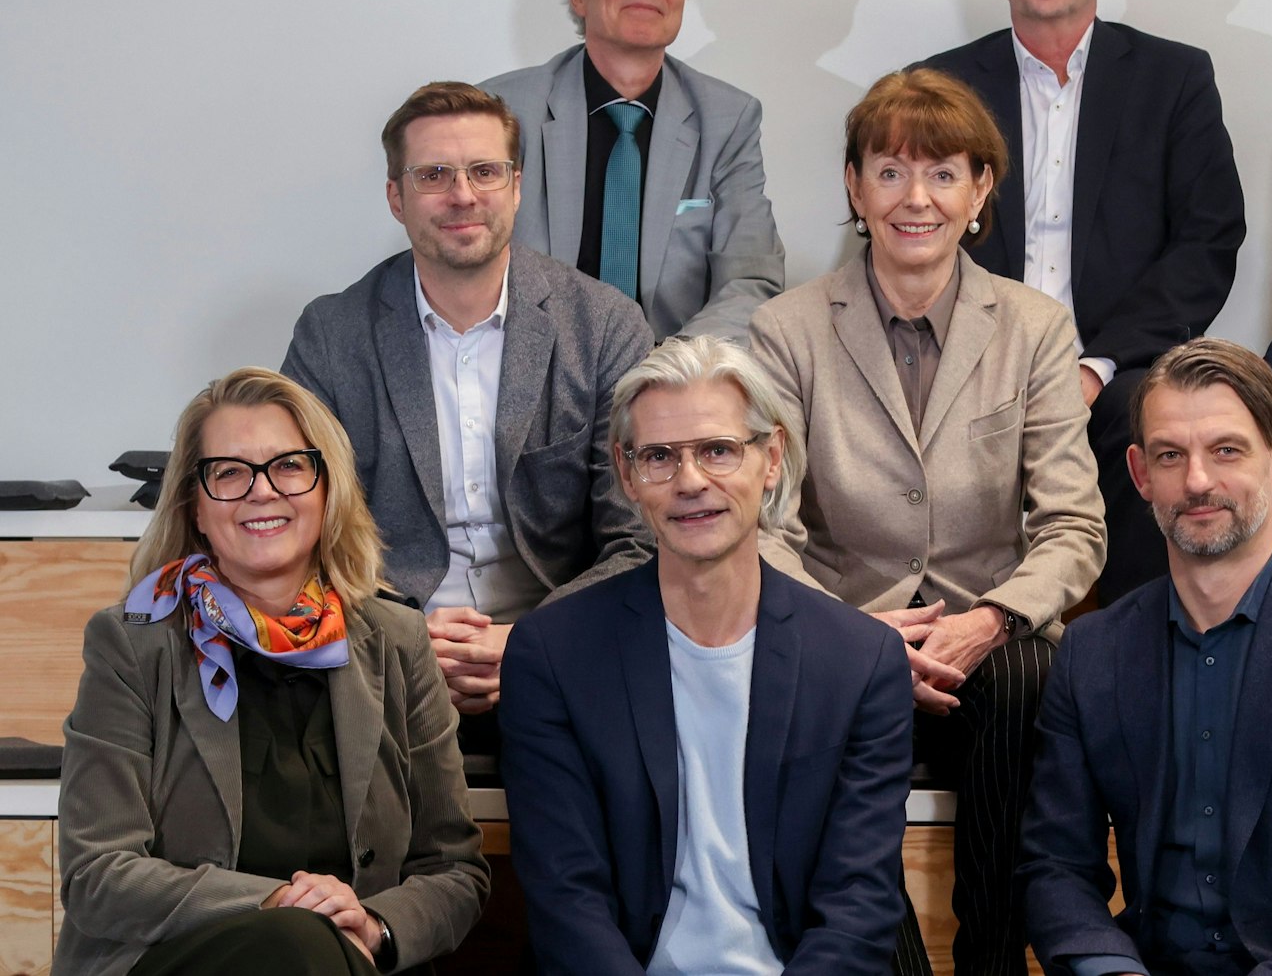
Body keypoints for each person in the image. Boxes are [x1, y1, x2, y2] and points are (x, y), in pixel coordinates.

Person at [751, 67, 1106, 976]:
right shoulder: (787, 330)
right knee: (802, 703)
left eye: (944, 173)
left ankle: (990, 960)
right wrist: (851, 634)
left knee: (1031, 668)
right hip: (844, 635)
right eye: (891, 171)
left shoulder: (1034, 327)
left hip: (985, 646)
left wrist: (988, 619)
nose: (918, 198)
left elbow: (1074, 525)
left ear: (982, 189)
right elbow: (765, 528)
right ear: (854, 186)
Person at [1020, 338, 1272, 975]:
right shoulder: (1092, 651)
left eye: (1226, 450)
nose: (1196, 481)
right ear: (1138, 473)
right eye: (1170, 455)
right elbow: (1055, 866)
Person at [498, 336, 911, 974]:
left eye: (718, 450)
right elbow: (567, 901)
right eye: (659, 457)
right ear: (628, 474)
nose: (691, 482)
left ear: (771, 458)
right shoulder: (553, 654)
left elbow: (858, 905)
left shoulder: (860, 660)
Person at [56, 368, 488, 975]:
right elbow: (96, 872)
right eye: (228, 472)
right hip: (177, 961)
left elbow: (454, 869)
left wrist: (372, 924)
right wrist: (278, 905)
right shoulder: (131, 646)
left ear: (326, 490)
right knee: (294, 943)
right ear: (196, 508)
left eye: (288, 465)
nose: (262, 491)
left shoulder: (397, 641)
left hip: (351, 961)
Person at [283, 81, 653, 742]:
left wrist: (534, 642)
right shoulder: (332, 335)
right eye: (435, 175)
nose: (463, 195)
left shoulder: (604, 327)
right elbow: (292, 532)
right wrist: (403, 635)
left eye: (484, 171)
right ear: (396, 197)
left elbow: (639, 536)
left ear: (515, 186)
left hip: (565, 644)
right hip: (385, 652)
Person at [921, 0, 1245, 606]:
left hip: (1116, 366)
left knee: (1151, 420)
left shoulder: (1174, 78)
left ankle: (1132, 659)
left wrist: (1093, 367)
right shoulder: (939, 89)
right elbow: (910, 238)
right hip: (969, 361)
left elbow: (1208, 240)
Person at [482, 0, 785, 341]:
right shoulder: (501, 113)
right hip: (534, 372)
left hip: (673, 374)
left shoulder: (727, 119)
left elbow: (750, 280)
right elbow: (464, 263)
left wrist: (668, 374)